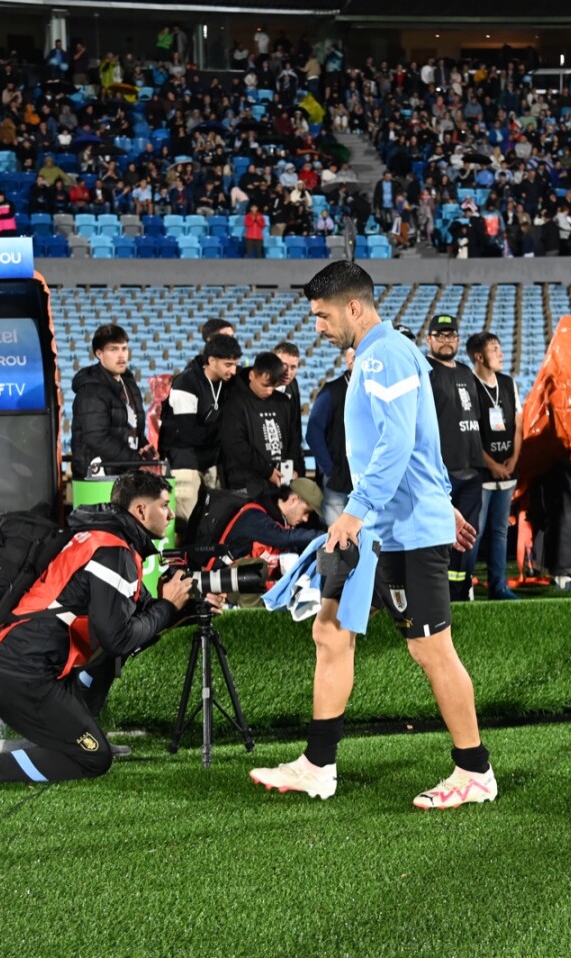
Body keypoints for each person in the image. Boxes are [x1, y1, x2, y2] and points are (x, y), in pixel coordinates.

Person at [250, 262, 492, 810]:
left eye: (322, 315)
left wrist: (355, 512)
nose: (317, 326)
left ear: (353, 307)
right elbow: (417, 445)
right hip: (384, 527)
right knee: (330, 631)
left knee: (431, 650)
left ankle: (475, 771)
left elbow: (398, 442)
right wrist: (440, 503)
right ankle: (317, 765)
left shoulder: (383, 353)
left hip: (398, 531)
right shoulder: (380, 355)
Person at [0, 473, 195, 783]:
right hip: (19, 676)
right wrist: (167, 607)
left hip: (3, 663)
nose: (172, 514)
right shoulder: (114, 553)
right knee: (95, 758)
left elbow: (142, 617)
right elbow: (119, 639)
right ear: (140, 512)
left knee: (108, 656)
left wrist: (182, 605)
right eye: (164, 505)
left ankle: (75, 732)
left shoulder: (99, 538)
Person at [425, 314, 484, 602]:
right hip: (442, 473)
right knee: (440, 538)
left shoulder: (465, 372)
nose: (446, 340)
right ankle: (438, 595)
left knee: (468, 538)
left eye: (451, 335)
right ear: (429, 340)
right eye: (440, 335)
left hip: (472, 469)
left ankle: (460, 591)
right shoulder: (425, 371)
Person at [161, 333, 242, 528]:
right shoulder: (186, 383)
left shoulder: (226, 383)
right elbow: (187, 433)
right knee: (184, 524)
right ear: (212, 361)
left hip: (210, 462)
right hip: (184, 463)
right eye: (228, 364)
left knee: (212, 523)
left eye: (235, 364)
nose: (233, 370)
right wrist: (223, 432)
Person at [466, 332, 521, 601]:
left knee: (500, 531)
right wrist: (492, 465)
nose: (501, 353)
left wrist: (513, 460)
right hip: (483, 474)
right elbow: (471, 433)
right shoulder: (468, 385)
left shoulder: (509, 383)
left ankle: (498, 586)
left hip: (508, 471)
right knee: (474, 534)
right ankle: (466, 586)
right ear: (479, 356)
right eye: (495, 349)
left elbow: (518, 426)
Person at [70, 323, 149, 480]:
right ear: (99, 353)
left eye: (124, 348)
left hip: (125, 472)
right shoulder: (91, 390)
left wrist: (145, 448)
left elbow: (132, 427)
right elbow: (96, 437)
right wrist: (135, 460)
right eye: (113, 349)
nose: (121, 355)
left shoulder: (129, 384)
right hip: (99, 474)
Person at [218, 351, 299, 498]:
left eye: (273, 386)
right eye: (265, 385)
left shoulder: (283, 401)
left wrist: (292, 467)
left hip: (280, 484)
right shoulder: (234, 403)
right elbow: (235, 445)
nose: (269, 391)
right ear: (252, 376)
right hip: (247, 485)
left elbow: (293, 438)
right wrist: (267, 472)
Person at [198, 477, 323, 566]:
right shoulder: (254, 515)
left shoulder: (279, 520)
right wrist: (326, 536)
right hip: (218, 578)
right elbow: (282, 538)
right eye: (306, 512)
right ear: (293, 500)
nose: (306, 519)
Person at [306, 347, 355, 525]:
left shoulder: (375, 390)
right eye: (352, 356)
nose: (356, 360)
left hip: (366, 480)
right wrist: (330, 469)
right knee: (336, 538)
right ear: (346, 360)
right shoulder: (331, 391)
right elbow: (313, 433)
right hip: (338, 480)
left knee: (367, 539)